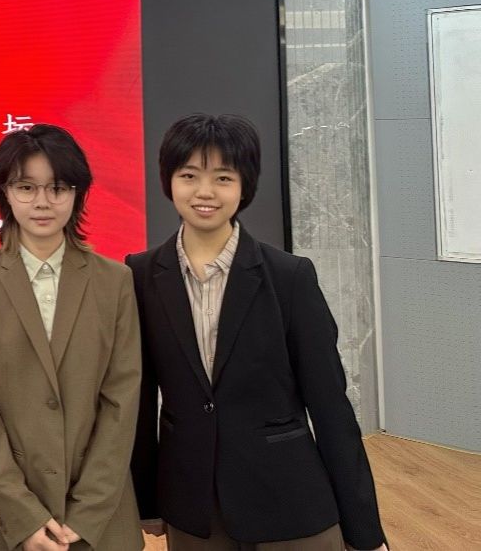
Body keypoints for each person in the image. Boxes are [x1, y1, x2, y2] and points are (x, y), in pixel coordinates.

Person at [127, 114, 388, 551]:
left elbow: (330, 406)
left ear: (244, 186)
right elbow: (137, 398)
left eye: (222, 177)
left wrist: (364, 531)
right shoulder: (140, 274)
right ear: (168, 180)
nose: (205, 191)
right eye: (189, 175)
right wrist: (146, 497)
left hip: (288, 498)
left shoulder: (289, 277)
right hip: (193, 507)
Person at [0, 124, 143, 551]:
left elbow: (121, 401)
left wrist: (89, 510)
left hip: (97, 524)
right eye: (26, 187)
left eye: (57, 188)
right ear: (5, 193)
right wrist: (23, 515)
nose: (42, 202)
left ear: (78, 194)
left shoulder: (115, 282)